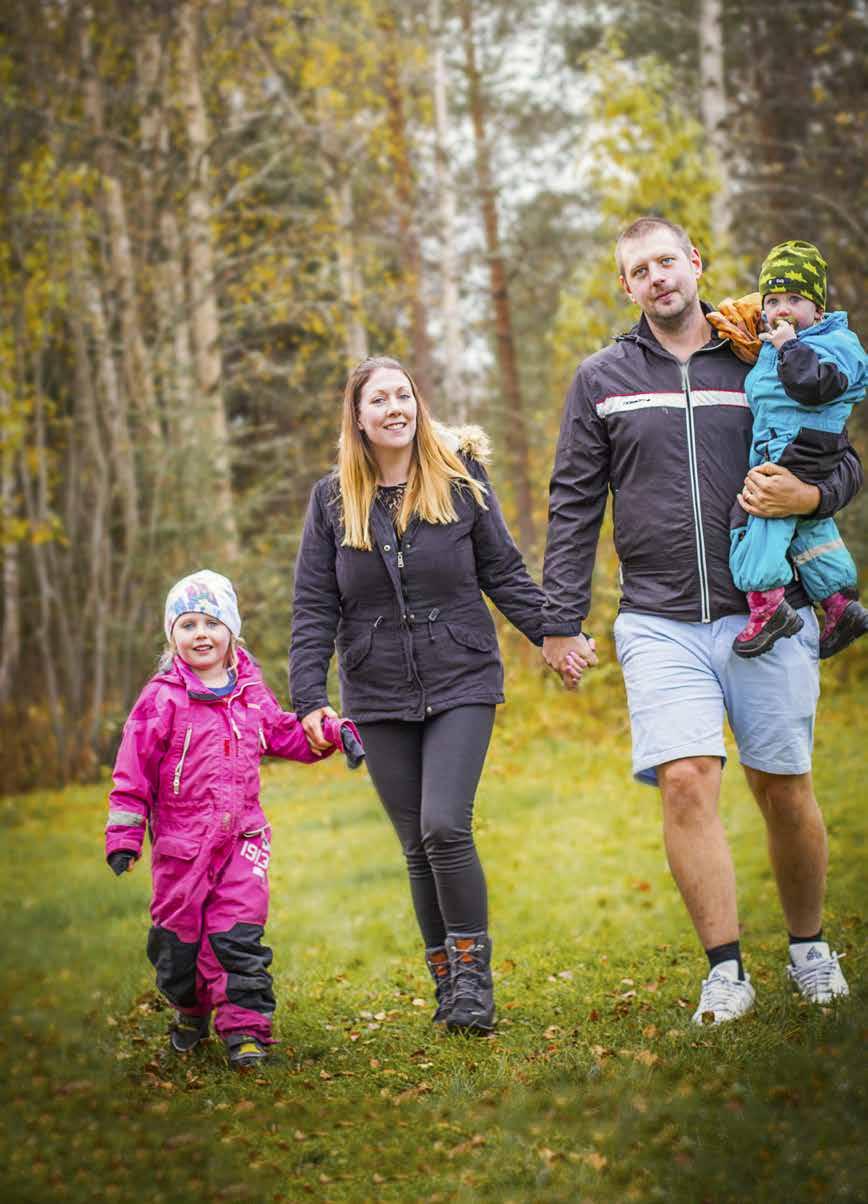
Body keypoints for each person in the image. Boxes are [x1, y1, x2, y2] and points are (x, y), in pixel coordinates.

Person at [542, 217, 862, 1024]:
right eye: (638, 270)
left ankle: (808, 949)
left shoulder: (763, 349)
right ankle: (726, 972)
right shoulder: (602, 378)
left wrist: (813, 497)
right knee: (686, 780)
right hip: (658, 619)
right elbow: (575, 502)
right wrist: (559, 619)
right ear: (626, 287)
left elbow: (841, 453)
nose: (656, 278)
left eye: (667, 261)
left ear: (696, 264)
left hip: (770, 612)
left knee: (783, 787)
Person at [289, 356, 547, 1035]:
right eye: (379, 400)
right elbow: (314, 606)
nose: (395, 407)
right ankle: (448, 985)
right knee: (415, 845)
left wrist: (556, 633)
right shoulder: (330, 501)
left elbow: (503, 571)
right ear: (359, 418)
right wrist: (308, 697)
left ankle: (474, 987)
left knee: (443, 826)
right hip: (375, 691)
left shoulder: (459, 480)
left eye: (404, 395)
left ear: (418, 406)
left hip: (462, 674)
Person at [105, 570, 358, 1069]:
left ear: (231, 633)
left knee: (236, 937)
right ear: (172, 635)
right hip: (181, 849)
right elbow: (131, 771)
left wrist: (330, 731)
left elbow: (286, 733)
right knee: (177, 952)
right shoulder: (160, 700)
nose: (201, 633)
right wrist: (125, 835)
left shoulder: (249, 693)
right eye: (188, 624)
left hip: (243, 840)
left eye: (212, 623)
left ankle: (245, 1030)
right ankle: (190, 1010)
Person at [724, 240, 867, 659]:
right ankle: (840, 605)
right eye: (772, 300)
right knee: (807, 525)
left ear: (818, 310)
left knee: (757, 511)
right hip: (788, 441)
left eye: (794, 299)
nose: (781, 309)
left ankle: (768, 605)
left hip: (799, 443)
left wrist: (787, 347)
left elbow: (813, 385)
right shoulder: (785, 342)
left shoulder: (834, 342)